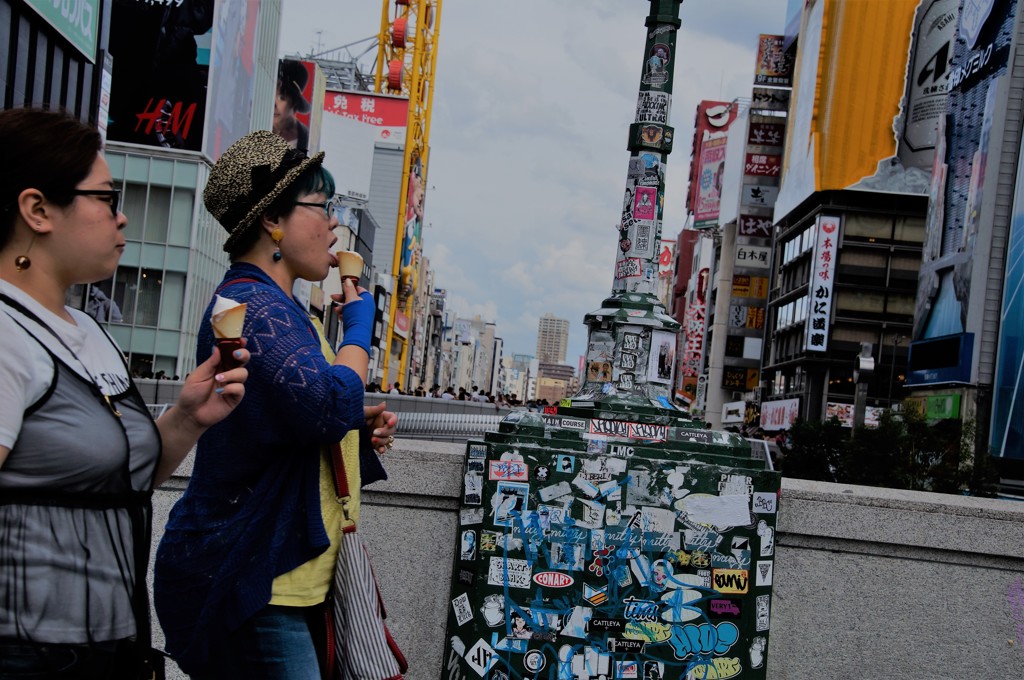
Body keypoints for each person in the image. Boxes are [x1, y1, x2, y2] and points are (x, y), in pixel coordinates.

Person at [0, 107, 249, 678]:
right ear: (37, 210)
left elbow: (115, 479)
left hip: (111, 649)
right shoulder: (6, 335)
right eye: (106, 199)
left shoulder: (87, 330)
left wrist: (187, 418)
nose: (122, 217)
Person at [154, 131, 398, 678]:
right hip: (255, 576)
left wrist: (360, 422)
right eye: (322, 207)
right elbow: (329, 401)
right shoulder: (254, 307)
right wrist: (360, 327)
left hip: (288, 576)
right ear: (273, 221)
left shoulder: (284, 310)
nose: (333, 223)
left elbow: (291, 410)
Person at [273, 59, 311, 151]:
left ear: (295, 103)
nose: (273, 105)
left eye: (281, 98)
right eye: (270, 95)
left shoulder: (305, 138)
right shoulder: (249, 123)